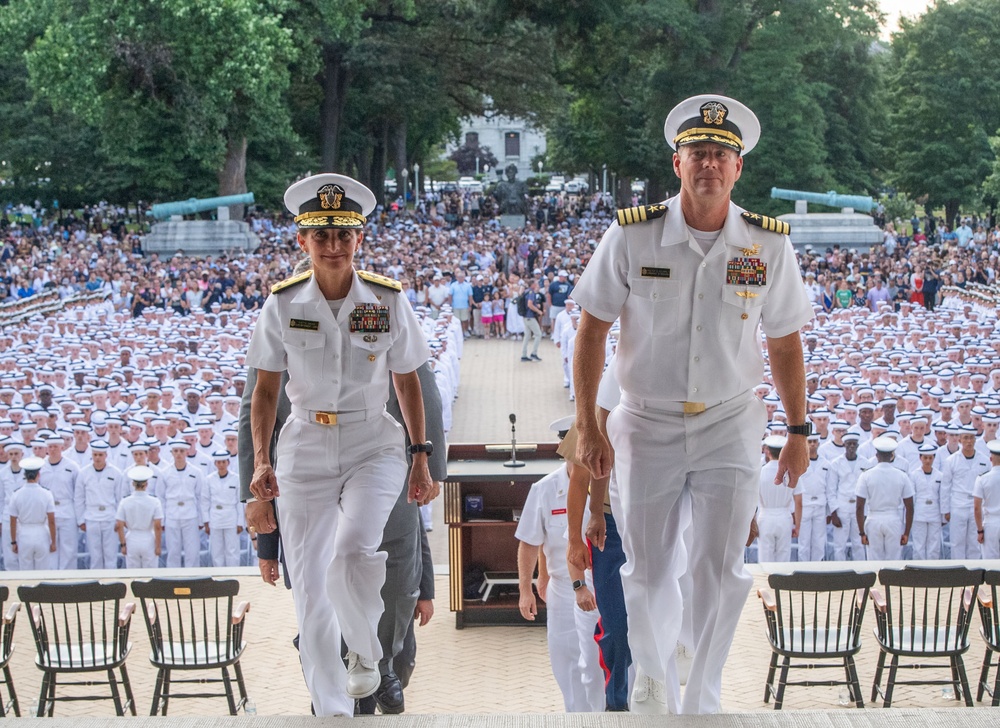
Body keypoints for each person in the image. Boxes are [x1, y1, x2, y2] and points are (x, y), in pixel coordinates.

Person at [572, 94, 813, 714]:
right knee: (647, 571)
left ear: (738, 170)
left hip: (730, 421)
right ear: (676, 164)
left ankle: (703, 695)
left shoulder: (768, 246)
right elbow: (592, 329)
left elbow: (784, 340)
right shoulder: (632, 236)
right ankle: (655, 675)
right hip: (646, 422)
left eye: (720, 155)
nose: (709, 164)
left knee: (721, 570)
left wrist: (798, 428)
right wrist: (586, 426)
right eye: (697, 153)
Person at [245, 173, 436, 717]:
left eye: (343, 235)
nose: (333, 246)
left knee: (354, 550)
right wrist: (261, 463)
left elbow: (408, 381)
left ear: (360, 238)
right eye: (321, 235)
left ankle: (366, 652)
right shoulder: (281, 305)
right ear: (302, 241)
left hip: (373, 441)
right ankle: (330, 708)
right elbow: (264, 392)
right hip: (304, 444)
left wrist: (420, 457)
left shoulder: (386, 300)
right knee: (309, 588)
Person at [516, 415, 603, 713]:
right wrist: (527, 588)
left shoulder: (605, 484)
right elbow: (530, 541)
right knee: (566, 661)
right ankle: (577, 716)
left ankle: (605, 714)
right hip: (564, 590)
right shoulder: (544, 489)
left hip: (602, 584)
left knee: (600, 660)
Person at [855, 437, 914, 560]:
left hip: (873, 519)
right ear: (892, 455)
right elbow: (909, 507)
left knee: (874, 560)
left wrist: (862, 533)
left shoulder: (866, 475)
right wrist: (906, 533)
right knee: (893, 561)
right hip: (893, 519)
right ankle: (892, 580)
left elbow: (860, 506)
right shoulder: (901, 475)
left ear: (876, 455)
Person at [756, 435, 802, 562]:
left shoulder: (760, 472)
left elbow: (752, 501)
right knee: (783, 556)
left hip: (765, 517)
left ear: (768, 451)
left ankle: (765, 581)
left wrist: (753, 522)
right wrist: (797, 525)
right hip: (784, 517)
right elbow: (798, 501)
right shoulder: (792, 472)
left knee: (765, 557)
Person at [9, 456, 57, 570]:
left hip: (24, 534)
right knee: (42, 572)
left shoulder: (16, 494)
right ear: (38, 474)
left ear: (24, 475)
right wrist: (53, 541)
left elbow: (12, 521)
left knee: (25, 572)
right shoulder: (46, 493)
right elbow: (51, 521)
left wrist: (13, 542)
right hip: (41, 533)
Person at [115, 465, 163, 568]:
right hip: (148, 538)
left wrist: (123, 544)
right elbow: (158, 525)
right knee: (150, 575)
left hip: (132, 538)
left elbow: (119, 525)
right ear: (146, 484)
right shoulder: (154, 501)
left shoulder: (125, 501)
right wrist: (158, 545)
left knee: (133, 575)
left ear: (133, 484)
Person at [974, 440, 1000, 559]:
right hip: (992, 521)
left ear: (990, 459)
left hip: (991, 524)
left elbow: (976, 508)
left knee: (991, 564)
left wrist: (980, 531)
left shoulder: (982, 479)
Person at [520, 279, 544, 362]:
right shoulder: (531, 292)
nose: (537, 285)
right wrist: (538, 311)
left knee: (527, 336)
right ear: (532, 284)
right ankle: (534, 353)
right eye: (536, 283)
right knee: (538, 334)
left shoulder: (526, 291)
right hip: (530, 316)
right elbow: (529, 304)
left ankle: (524, 354)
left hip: (525, 316)